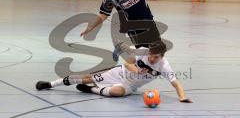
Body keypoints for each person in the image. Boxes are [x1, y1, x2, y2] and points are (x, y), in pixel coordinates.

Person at [36, 40, 192, 103]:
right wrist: (136, 70)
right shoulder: (143, 52)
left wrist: (183, 97)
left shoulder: (164, 66)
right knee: (85, 78)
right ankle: (50, 83)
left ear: (162, 56)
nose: (151, 59)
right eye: (150, 55)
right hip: (118, 73)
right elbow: (127, 63)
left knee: (116, 92)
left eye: (155, 57)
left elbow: (176, 84)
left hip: (130, 86)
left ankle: (93, 90)